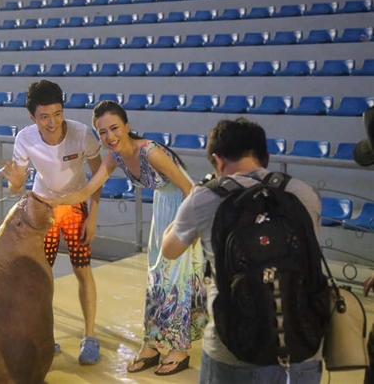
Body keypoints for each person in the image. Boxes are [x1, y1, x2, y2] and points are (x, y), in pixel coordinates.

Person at [46, 100, 207, 375]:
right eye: (102, 132)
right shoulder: (114, 157)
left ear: (127, 126)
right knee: (156, 277)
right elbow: (88, 189)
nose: (109, 136)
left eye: (114, 128)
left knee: (175, 280)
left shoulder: (151, 153)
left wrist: (188, 230)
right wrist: (52, 199)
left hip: (184, 208)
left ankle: (179, 350)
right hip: (163, 206)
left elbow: (190, 189)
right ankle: (153, 344)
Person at [161, 118, 324, 384]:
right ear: (265, 158)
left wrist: (191, 198)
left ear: (217, 161)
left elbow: (169, 250)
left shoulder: (204, 198)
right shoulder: (303, 193)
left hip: (233, 351)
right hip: (303, 347)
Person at [2, 80, 103, 365]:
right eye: (44, 116)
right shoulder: (24, 138)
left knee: (82, 269)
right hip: (43, 207)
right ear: (32, 117)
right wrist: (16, 183)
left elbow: (98, 178)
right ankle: (45, 336)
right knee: (42, 276)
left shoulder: (82, 134)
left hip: (75, 206)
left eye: (57, 114)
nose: (52, 122)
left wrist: (92, 216)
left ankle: (90, 337)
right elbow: (15, 187)